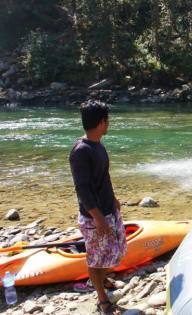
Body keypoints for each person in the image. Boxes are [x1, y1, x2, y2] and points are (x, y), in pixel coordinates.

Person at [69, 100, 126, 315]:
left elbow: (103, 177)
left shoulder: (98, 145)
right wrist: (98, 218)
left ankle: (104, 279)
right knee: (96, 257)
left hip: (107, 208)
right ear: (102, 122)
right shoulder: (81, 151)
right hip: (95, 216)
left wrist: (113, 199)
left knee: (113, 251)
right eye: (107, 120)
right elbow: (82, 189)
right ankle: (102, 299)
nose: (108, 124)